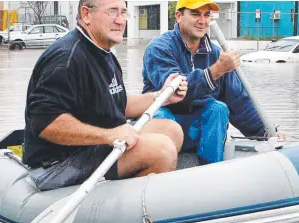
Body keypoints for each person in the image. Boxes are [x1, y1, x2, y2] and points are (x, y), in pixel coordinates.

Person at [23, 0, 189, 191]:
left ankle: (118, 196)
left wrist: (161, 97)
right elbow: (45, 124)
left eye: (124, 12)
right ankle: (127, 214)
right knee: (162, 150)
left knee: (171, 130)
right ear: (86, 15)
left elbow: (118, 104)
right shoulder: (66, 58)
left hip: (95, 147)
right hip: (58, 163)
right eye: (112, 12)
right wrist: (110, 135)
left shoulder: (103, 52)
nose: (120, 21)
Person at [141, 0, 281, 165]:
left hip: (195, 127)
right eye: (195, 14)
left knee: (218, 108)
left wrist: (267, 133)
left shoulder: (215, 54)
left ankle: (211, 169)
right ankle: (158, 170)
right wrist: (216, 71)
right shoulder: (160, 47)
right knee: (162, 115)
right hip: (166, 121)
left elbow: (239, 102)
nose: (202, 20)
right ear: (179, 16)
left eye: (206, 15)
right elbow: (177, 92)